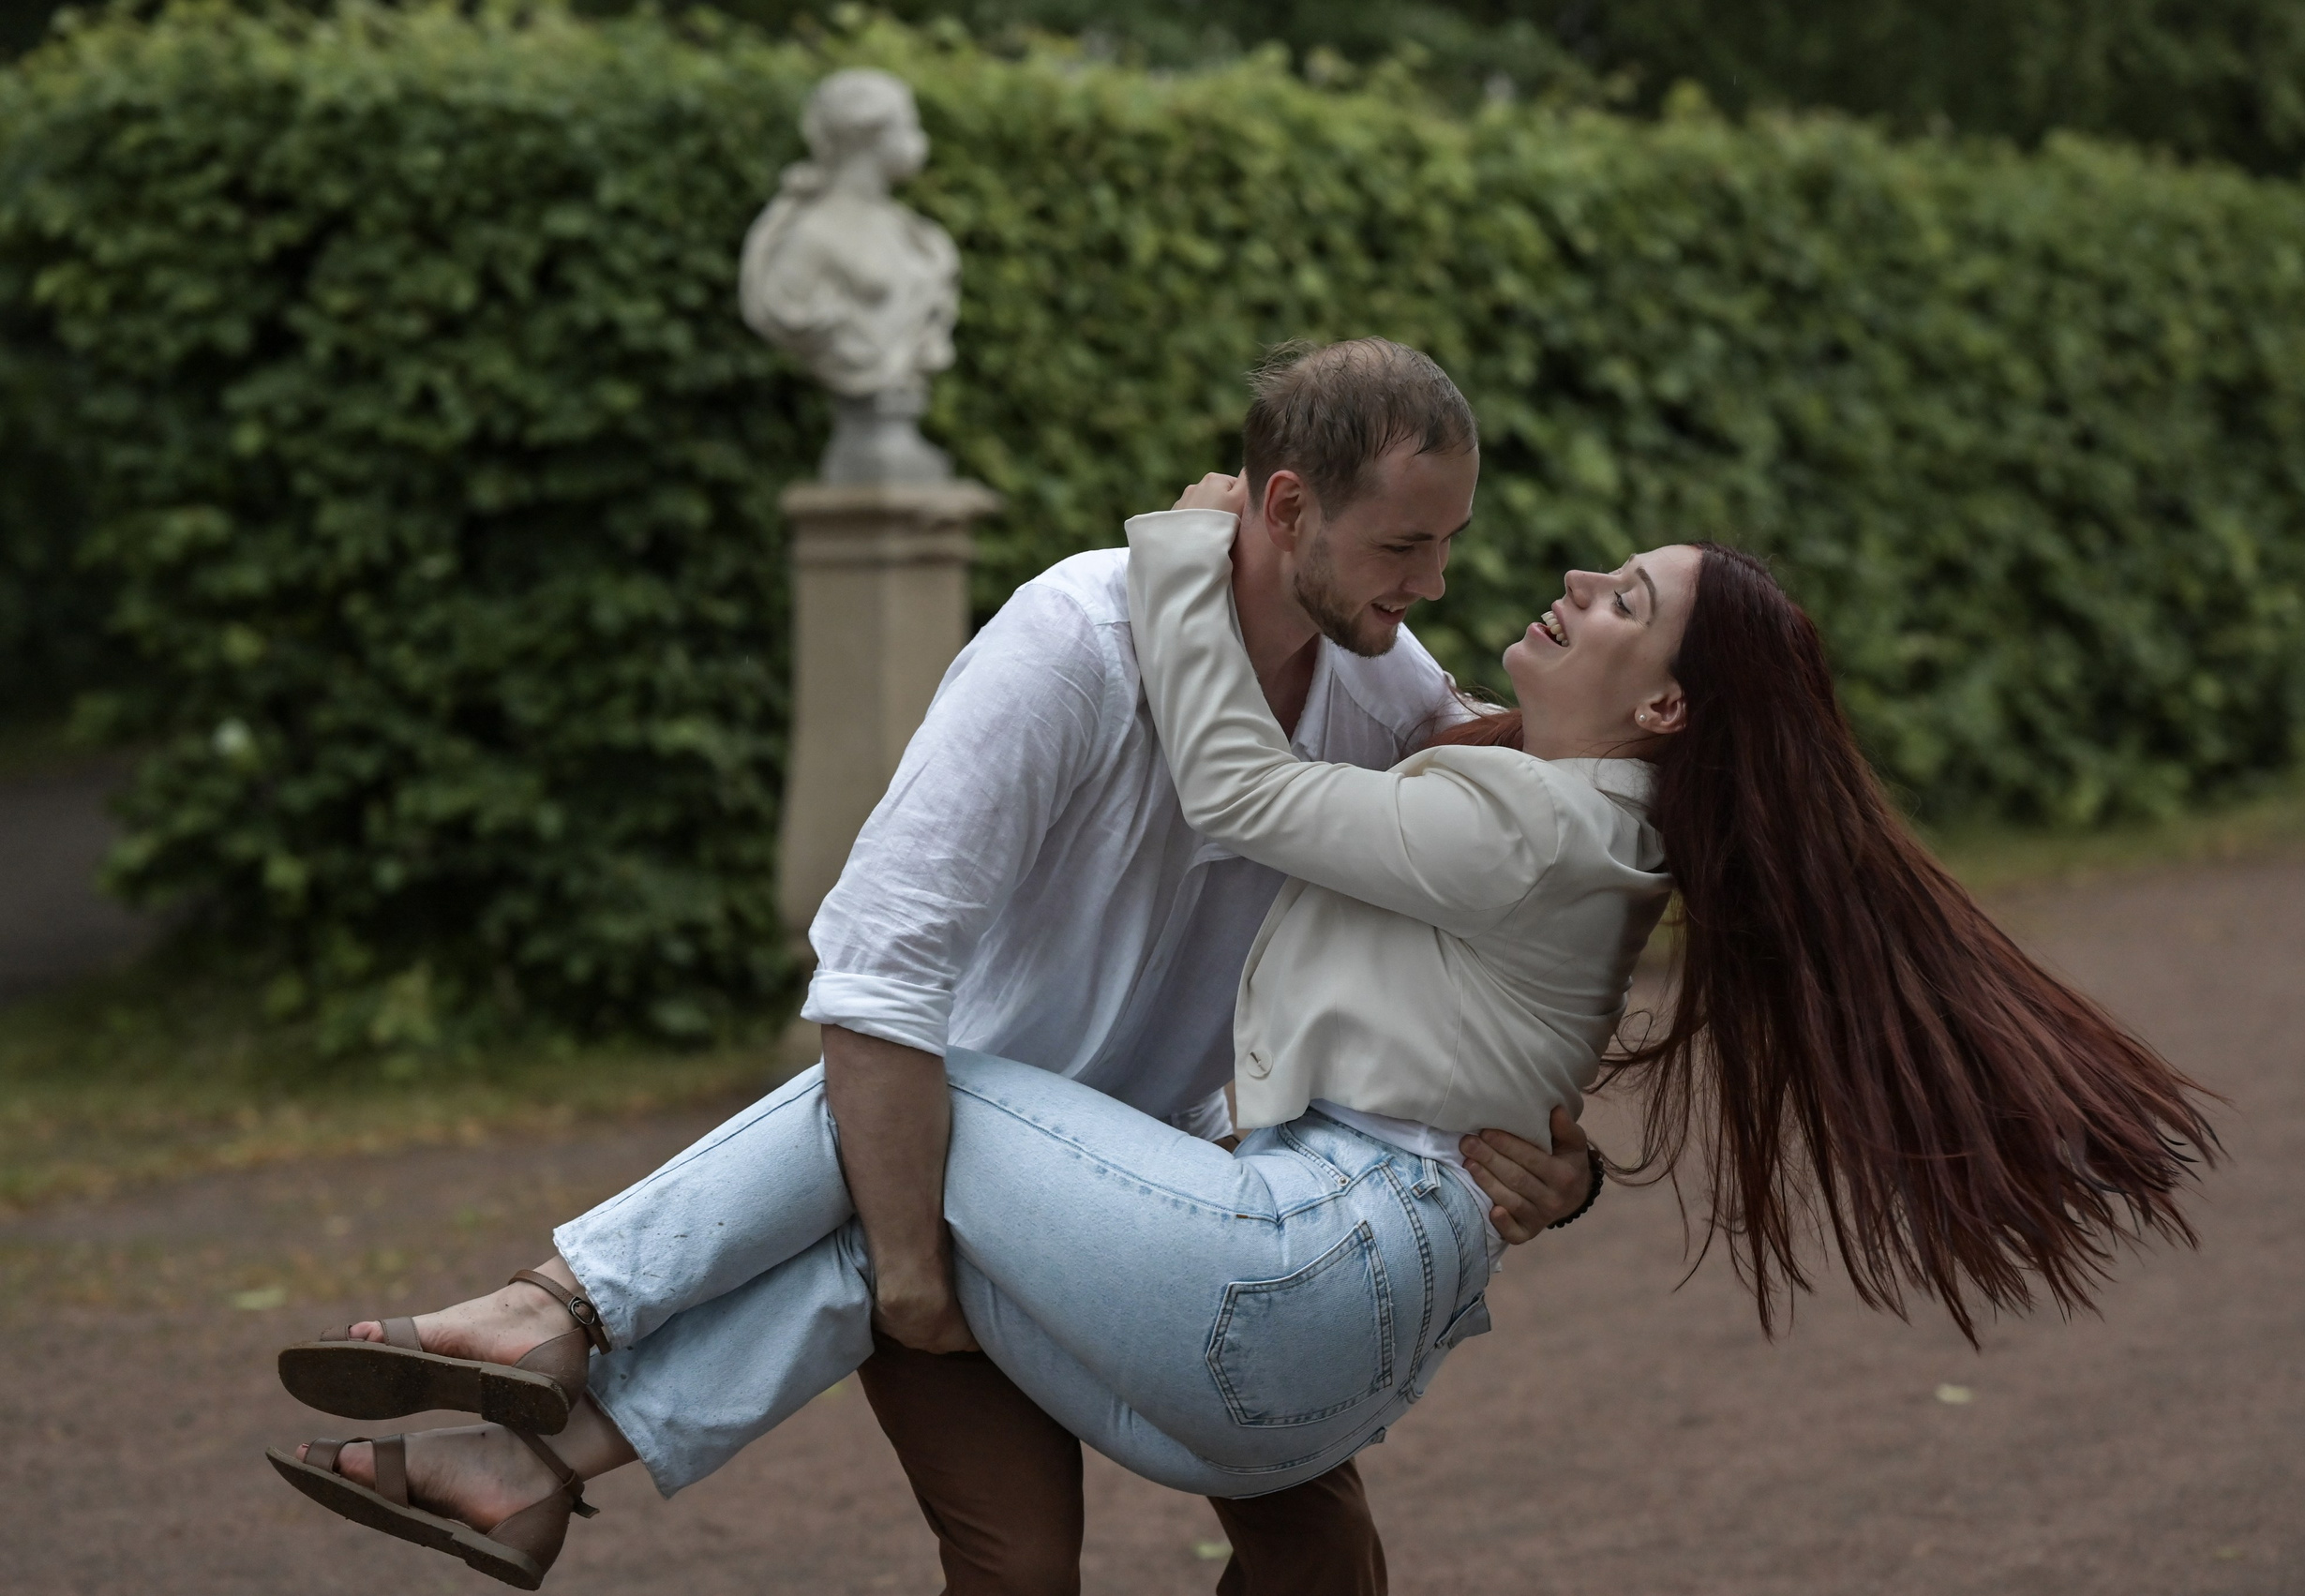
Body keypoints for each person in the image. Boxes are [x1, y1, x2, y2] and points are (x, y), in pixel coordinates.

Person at [268, 470, 2216, 1590]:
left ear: (1663, 715)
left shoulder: (1488, 780)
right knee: (902, 1224)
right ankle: (540, 1468)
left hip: (1251, 1247)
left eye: (1609, 594)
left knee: (909, 1103)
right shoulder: (1405, 740)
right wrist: (1559, 1159)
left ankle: (552, 1311)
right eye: (1407, 552)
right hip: (1204, 1242)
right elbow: (1477, 946)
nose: (1509, 584)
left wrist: (1172, 556)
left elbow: (1239, 793)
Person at [273, 340, 1606, 1596]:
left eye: (1450, 544)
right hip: (930, 1171)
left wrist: (1567, 1161)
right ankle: (548, 1344)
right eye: (1404, 543)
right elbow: (878, 971)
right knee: (1018, 1568)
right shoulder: (1076, 639)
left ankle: (547, 1356)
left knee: (1323, 1560)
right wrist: (910, 1271)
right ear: (1288, 506)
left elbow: (1509, 870)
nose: (1432, 581)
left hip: (1173, 1202)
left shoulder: (1380, 683)